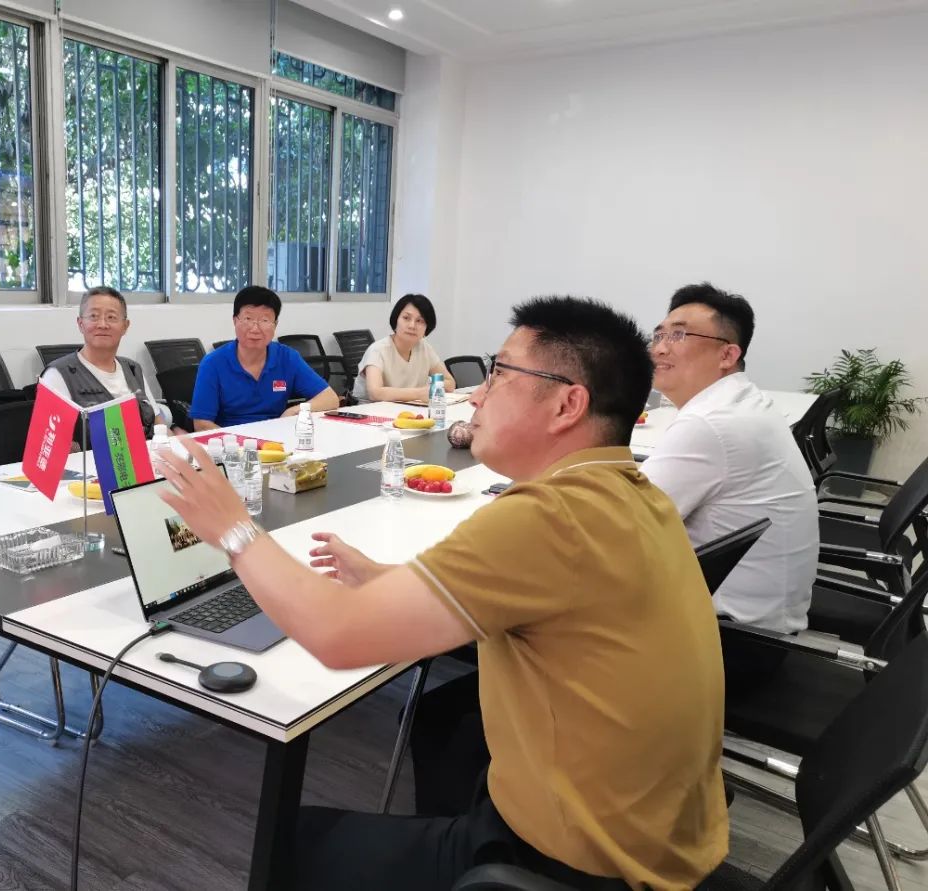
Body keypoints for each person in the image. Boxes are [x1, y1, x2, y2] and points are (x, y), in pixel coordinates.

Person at [159, 295, 728, 891]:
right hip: (659, 834)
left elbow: (335, 636)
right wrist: (385, 579)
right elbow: (531, 594)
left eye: (500, 374)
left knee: (291, 844)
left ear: (568, 404)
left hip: (582, 864)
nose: (477, 396)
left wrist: (233, 529)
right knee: (446, 729)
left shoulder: (549, 517)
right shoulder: (632, 493)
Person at [643, 283, 819, 690]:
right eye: (659, 334)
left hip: (731, 645)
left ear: (727, 355)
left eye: (680, 335)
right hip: (764, 629)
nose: (661, 348)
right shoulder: (740, 403)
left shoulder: (711, 423)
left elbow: (617, 525)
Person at [189, 286, 340, 430]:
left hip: (276, 439)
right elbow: (201, 424)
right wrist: (237, 443)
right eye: (248, 318)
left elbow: (330, 398)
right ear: (235, 321)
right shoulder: (213, 363)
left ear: (275, 325)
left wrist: (293, 411)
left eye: (265, 320)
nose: (255, 328)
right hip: (230, 441)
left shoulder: (287, 358)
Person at [39, 285, 164, 433]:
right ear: (80, 324)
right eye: (94, 316)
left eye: (111, 317)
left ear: (125, 326)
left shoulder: (133, 369)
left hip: (147, 447)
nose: (103, 325)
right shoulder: (57, 375)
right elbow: (52, 440)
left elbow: (159, 427)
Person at [351, 294, 456, 402]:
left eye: (419, 321)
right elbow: (375, 393)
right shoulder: (378, 350)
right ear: (396, 320)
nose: (412, 326)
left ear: (427, 327)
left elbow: (450, 383)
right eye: (406, 318)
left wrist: (428, 388)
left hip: (409, 409)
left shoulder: (424, 348)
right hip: (370, 410)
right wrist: (419, 393)